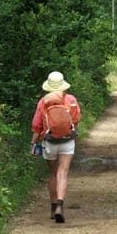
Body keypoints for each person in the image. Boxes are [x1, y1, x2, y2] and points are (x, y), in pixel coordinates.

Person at [31, 71, 81, 223]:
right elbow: (77, 119)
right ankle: (60, 203)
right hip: (67, 141)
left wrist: (33, 143)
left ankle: (53, 207)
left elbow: (37, 126)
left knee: (53, 173)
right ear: (63, 85)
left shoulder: (43, 102)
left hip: (49, 142)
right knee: (63, 172)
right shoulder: (71, 99)